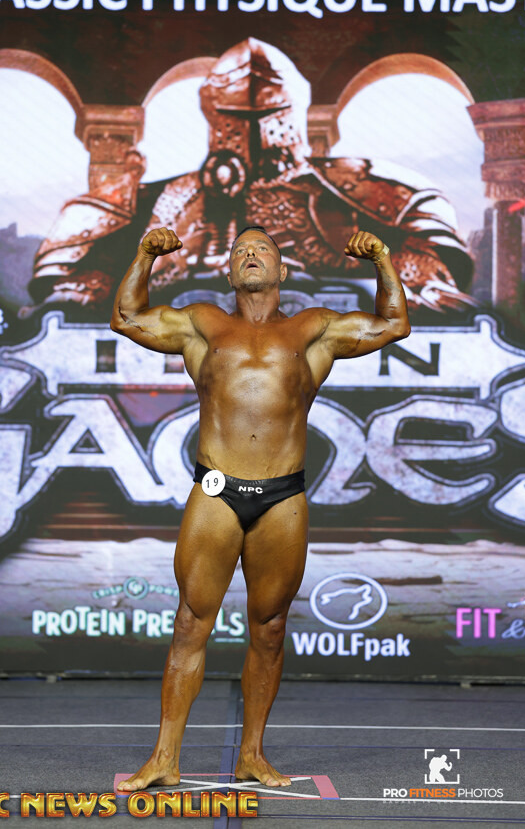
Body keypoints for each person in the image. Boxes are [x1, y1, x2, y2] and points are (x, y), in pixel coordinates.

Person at [110, 223, 410, 790]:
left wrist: (382, 259)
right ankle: (164, 758)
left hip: (282, 496)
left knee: (270, 628)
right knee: (190, 623)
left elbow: (394, 324)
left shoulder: (312, 329)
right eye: (240, 250)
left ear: (281, 269)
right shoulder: (203, 324)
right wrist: (146, 254)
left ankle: (251, 754)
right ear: (228, 271)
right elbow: (126, 317)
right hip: (216, 491)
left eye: (262, 249)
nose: (250, 254)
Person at [29, 38, 474, 317]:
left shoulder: (367, 189)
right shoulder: (160, 199)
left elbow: (429, 261)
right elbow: (83, 275)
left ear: (291, 111)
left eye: (270, 114)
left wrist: (416, 281)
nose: (255, 130)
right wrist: (86, 289)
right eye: (236, 118)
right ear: (213, 114)